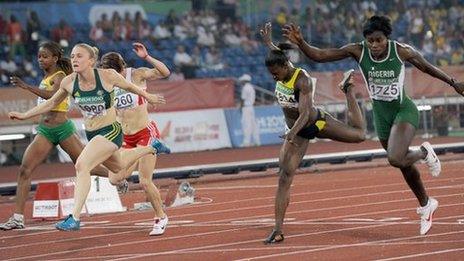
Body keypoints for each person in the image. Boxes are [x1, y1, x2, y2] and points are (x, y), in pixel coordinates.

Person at [282, 15, 464, 236]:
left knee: (396, 158)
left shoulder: (402, 51)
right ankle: (426, 204)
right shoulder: (358, 51)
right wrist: (301, 43)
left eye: (379, 40)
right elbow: (320, 56)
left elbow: (426, 67)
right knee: (403, 164)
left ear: (387, 38)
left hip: (402, 110)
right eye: (370, 41)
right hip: (381, 116)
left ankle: (424, 152)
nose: (374, 45)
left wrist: (453, 83)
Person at [8, 43, 170, 231]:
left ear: (92, 61)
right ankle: (153, 147)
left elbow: (132, 87)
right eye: (73, 56)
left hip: (112, 131)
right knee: (116, 173)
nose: (74, 59)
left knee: (82, 165)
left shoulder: (108, 76)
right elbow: (51, 102)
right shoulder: (69, 81)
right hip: (96, 133)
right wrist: (24, 115)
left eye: (79, 56)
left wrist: (148, 96)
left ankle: (75, 217)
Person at [260, 22, 366, 244]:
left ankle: (347, 90)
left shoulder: (302, 79)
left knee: (359, 135)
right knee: (284, 176)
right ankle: (278, 229)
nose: (274, 78)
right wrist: (267, 41)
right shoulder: (280, 64)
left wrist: (291, 133)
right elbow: (275, 53)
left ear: (285, 66)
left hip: (314, 122)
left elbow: (306, 113)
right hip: (296, 131)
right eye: (271, 74)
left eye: (276, 74)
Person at [0, 41, 108, 231]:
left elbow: (51, 95)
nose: (40, 59)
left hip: (62, 129)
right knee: (24, 170)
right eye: (39, 56)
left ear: (55, 58)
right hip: (45, 131)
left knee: (87, 165)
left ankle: (120, 176)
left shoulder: (60, 76)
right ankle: (17, 217)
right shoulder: (47, 75)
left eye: (45, 56)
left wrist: (26, 86)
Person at [99, 42, 170, 236]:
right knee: (115, 178)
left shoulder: (136, 74)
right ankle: (125, 179)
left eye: (114, 73)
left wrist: (146, 57)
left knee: (145, 181)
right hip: (126, 138)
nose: (111, 77)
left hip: (145, 133)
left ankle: (160, 217)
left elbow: (164, 72)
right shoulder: (106, 82)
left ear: (121, 69)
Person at [238, 74, 260, 147]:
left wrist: (240, 107)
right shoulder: (251, 87)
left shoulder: (245, 88)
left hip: (246, 107)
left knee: (246, 125)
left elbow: (243, 99)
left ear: (244, 81)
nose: (241, 82)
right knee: (253, 125)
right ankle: (257, 141)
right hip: (251, 107)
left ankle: (246, 142)